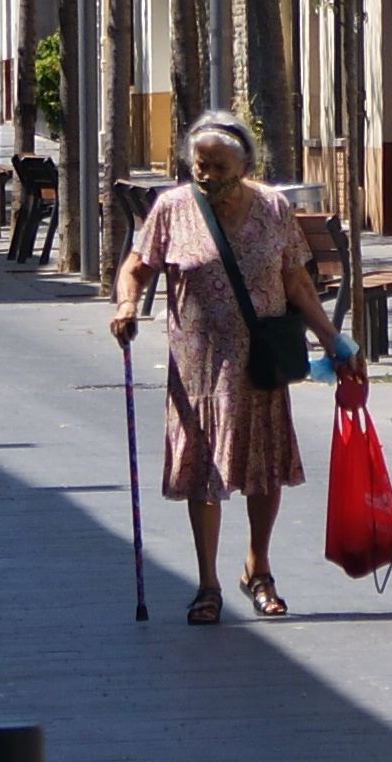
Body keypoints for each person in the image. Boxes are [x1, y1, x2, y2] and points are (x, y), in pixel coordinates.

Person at [110, 113, 353, 623]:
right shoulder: (172, 209)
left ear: (244, 166)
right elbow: (135, 268)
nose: (207, 175)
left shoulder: (272, 208)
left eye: (219, 166)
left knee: (262, 471)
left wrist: (336, 344)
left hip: (259, 365)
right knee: (203, 474)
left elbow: (296, 282)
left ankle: (258, 569)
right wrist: (127, 306)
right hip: (196, 368)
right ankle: (207, 583)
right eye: (199, 165)